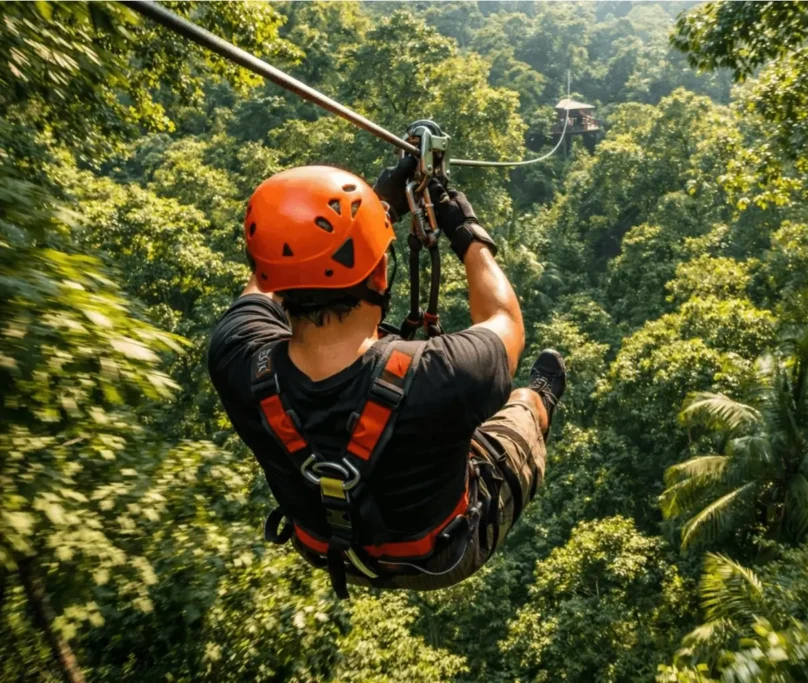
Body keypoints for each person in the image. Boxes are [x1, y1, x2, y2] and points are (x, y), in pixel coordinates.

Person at [206, 158, 566, 597]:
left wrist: (372, 210)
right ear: (378, 272)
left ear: (277, 286)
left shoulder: (236, 359)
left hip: (325, 548)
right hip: (445, 552)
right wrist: (462, 225)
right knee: (524, 403)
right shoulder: (450, 374)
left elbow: (265, 276)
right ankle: (543, 399)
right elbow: (503, 320)